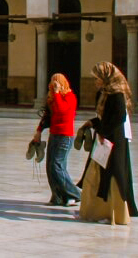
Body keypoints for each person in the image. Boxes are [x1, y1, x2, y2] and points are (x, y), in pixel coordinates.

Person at [77, 62, 138, 225]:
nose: (95, 81)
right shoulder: (103, 93)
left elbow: (119, 118)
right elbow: (103, 118)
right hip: (104, 138)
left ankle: (115, 214)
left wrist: (104, 132)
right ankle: (95, 211)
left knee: (113, 176)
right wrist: (94, 124)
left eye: (97, 78)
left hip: (114, 141)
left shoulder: (117, 94)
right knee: (94, 174)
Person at [33, 73, 81, 207]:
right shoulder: (53, 98)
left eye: (56, 82)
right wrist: (38, 131)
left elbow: (61, 111)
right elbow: (48, 117)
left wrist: (57, 93)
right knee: (50, 167)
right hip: (54, 135)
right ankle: (58, 196)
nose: (53, 85)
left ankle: (75, 194)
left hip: (65, 136)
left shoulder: (70, 97)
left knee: (57, 166)